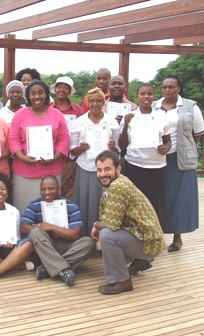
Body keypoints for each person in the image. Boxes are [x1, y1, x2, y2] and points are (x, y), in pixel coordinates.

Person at [92, 150, 165, 294]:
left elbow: (111, 225)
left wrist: (96, 227)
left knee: (107, 235)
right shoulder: (116, 181)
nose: (102, 174)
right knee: (105, 236)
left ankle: (122, 281)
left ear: (118, 168)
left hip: (149, 242)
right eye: (99, 170)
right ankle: (139, 261)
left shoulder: (118, 186)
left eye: (107, 169)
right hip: (143, 236)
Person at [152, 75, 204, 252]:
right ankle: (156, 236)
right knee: (160, 198)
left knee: (180, 200)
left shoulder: (191, 107)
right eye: (164, 87)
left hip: (180, 161)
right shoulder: (154, 107)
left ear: (178, 89)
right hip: (158, 160)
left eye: (171, 87)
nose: (167, 90)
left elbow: (197, 134)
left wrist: (185, 149)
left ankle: (177, 238)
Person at [8, 80, 70, 214]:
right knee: (24, 208)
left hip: (51, 169)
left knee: (50, 210)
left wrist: (55, 157)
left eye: (41, 93)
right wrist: (21, 157)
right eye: (33, 93)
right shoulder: (20, 114)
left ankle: (49, 233)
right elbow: (13, 139)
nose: (37, 96)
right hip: (24, 171)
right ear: (28, 96)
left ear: (46, 94)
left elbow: (64, 139)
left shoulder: (57, 114)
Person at [21, 175, 94, 286]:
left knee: (88, 243)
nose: (47, 192)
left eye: (51, 189)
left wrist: (52, 227)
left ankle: (47, 268)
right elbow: (23, 227)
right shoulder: (34, 205)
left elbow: (75, 234)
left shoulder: (71, 206)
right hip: (45, 245)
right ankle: (63, 270)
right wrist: (43, 229)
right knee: (35, 232)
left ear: (58, 189)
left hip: (66, 245)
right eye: (43, 189)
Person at [119, 83, 171, 227]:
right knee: (136, 202)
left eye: (149, 94)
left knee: (156, 202)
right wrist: (125, 125)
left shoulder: (161, 116)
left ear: (154, 96)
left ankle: (154, 235)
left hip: (157, 166)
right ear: (137, 96)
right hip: (135, 165)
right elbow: (122, 145)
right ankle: (137, 236)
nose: (146, 97)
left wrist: (165, 149)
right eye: (143, 94)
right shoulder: (130, 116)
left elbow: (168, 141)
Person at [70, 88, 120, 236]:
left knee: (104, 203)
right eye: (91, 101)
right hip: (85, 167)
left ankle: (103, 237)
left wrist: (113, 147)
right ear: (87, 102)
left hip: (107, 170)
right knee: (85, 202)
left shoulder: (111, 121)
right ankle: (85, 236)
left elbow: (118, 149)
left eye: (98, 100)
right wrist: (81, 147)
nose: (95, 103)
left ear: (103, 102)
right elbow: (72, 149)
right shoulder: (79, 122)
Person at [49, 76, 84, 199]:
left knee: (70, 188)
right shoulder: (48, 108)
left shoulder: (78, 110)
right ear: (55, 89)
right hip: (52, 154)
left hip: (71, 157)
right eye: (59, 87)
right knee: (52, 185)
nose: (62, 90)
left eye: (65, 88)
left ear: (70, 91)